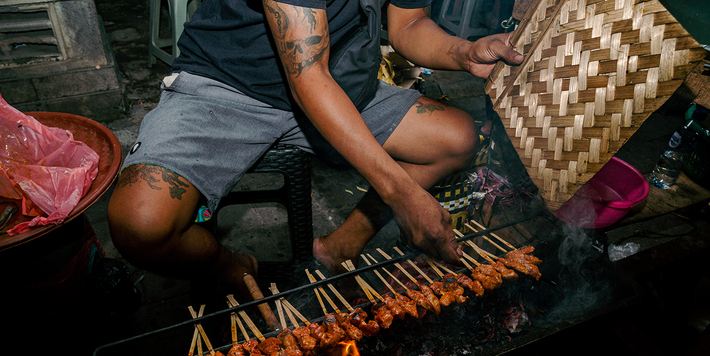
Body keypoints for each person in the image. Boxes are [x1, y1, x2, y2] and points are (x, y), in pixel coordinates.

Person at [107, 0, 523, 299]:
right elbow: (306, 73)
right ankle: (231, 268)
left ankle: (341, 247)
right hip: (227, 87)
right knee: (139, 225)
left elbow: (409, 25)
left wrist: (464, 51)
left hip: (336, 84)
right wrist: (405, 196)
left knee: (456, 138)